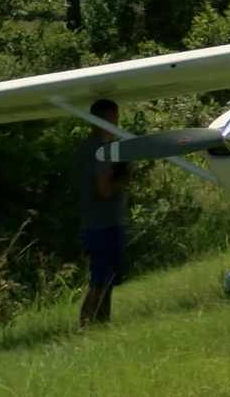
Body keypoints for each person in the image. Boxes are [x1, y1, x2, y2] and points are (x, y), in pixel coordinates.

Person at [74, 98, 131, 327]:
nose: (116, 122)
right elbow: (104, 189)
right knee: (100, 280)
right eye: (112, 118)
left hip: (101, 221)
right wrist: (124, 178)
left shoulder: (90, 147)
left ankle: (103, 324)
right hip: (101, 224)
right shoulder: (100, 151)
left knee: (107, 279)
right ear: (102, 120)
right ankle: (86, 324)